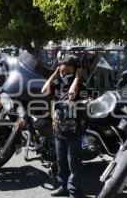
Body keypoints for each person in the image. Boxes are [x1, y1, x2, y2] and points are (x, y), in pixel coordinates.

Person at [41, 54, 84, 198]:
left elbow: (71, 94)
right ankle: (63, 187)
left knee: (74, 164)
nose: (64, 74)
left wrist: (77, 77)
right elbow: (44, 91)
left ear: (75, 70)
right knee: (61, 162)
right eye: (62, 71)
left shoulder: (79, 85)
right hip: (58, 130)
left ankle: (74, 192)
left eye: (67, 71)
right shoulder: (58, 83)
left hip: (73, 132)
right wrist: (54, 75)